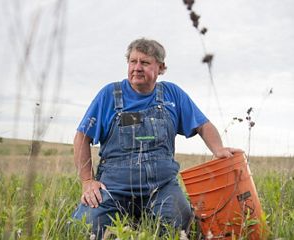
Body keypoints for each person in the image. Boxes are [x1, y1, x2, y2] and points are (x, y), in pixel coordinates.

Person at [72, 38, 242, 239]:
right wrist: (87, 180)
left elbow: (203, 125)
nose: (137, 68)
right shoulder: (109, 94)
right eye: (132, 61)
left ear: (160, 68)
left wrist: (218, 149)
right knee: (82, 228)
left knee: (179, 227)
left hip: (162, 188)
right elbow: (82, 136)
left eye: (144, 62)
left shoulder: (172, 94)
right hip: (114, 188)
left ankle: (145, 220)